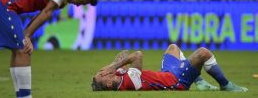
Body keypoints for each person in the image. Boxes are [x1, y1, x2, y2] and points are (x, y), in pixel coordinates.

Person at [0, 0, 99, 98]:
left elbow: (43, 12)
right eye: (82, 1)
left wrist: (26, 34)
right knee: (24, 50)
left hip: (0, 1)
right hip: (3, 3)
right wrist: (27, 36)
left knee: (18, 50)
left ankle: (21, 96)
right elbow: (47, 12)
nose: (78, 5)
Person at [91, 44, 248, 92]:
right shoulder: (129, 83)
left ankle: (199, 82)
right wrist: (114, 65)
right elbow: (137, 55)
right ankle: (225, 85)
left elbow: (123, 55)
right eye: (102, 75)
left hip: (165, 74)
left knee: (173, 48)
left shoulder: (117, 78)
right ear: (109, 83)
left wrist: (115, 64)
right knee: (203, 53)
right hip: (175, 82)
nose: (103, 72)